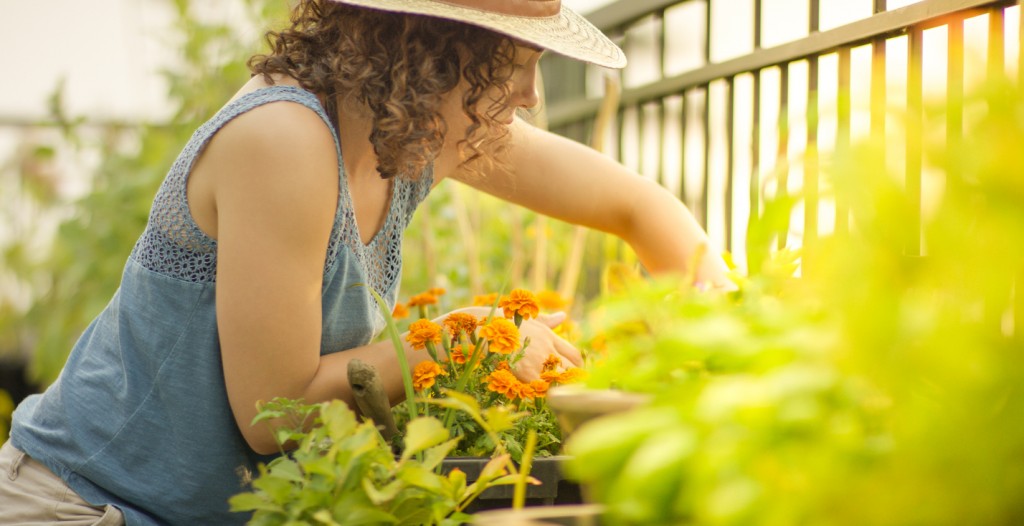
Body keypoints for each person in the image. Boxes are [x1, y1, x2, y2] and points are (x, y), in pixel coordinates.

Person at [0, 0, 732, 524]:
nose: (532, 95)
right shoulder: (284, 138)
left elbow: (641, 207)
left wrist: (731, 348)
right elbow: (271, 413)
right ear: (432, 47)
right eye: (517, 59)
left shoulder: (413, 130)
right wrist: (460, 337)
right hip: (80, 503)